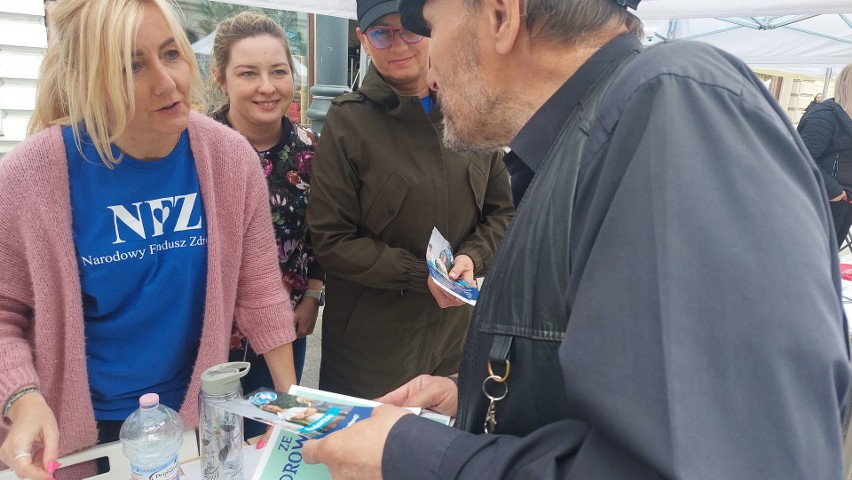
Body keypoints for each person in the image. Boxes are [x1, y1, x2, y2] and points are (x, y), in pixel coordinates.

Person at [301, 0, 851, 478]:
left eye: (432, 27)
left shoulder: (672, 103)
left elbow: (724, 459)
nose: (429, 65)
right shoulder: (597, 134)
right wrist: (475, 404)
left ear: (500, 16)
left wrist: (417, 455)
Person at [0, 0, 298, 478]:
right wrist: (21, 397)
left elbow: (259, 285)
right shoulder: (29, 176)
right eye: (130, 66)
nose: (167, 82)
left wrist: (291, 408)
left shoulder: (227, 157)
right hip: (75, 429)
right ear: (86, 79)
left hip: (188, 418)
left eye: (170, 54)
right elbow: (5, 311)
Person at [306, 0, 513, 399]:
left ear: (433, 28)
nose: (398, 44)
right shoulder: (347, 122)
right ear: (363, 40)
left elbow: (502, 212)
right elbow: (332, 240)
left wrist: (472, 257)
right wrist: (421, 275)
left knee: (439, 452)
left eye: (410, 30)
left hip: (454, 340)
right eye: (381, 32)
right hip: (370, 353)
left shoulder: (471, 110)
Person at [208, 11, 325, 439]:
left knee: (271, 437)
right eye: (248, 73)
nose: (266, 86)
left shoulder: (312, 150)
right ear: (221, 79)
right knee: (212, 446)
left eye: (278, 72)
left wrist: (313, 293)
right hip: (208, 336)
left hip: (284, 327)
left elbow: (321, 235)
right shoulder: (194, 148)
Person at [798, 64, 852, 246]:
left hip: (844, 202)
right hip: (826, 200)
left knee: (828, 257)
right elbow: (802, 159)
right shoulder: (825, 115)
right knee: (813, 257)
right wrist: (837, 192)